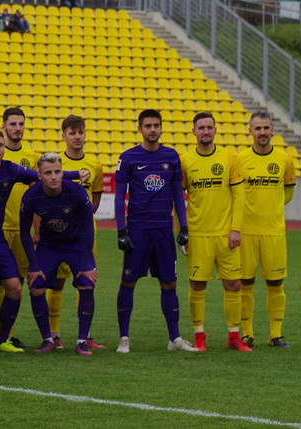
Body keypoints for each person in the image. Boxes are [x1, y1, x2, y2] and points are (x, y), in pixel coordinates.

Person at [0, 128, 87, 353]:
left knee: (15, 288)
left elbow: (41, 175)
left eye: (0, 145)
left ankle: (3, 340)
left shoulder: (10, 169)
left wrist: (76, 173)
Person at [114, 109, 197, 353]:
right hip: (137, 231)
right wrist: (121, 230)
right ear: (139, 128)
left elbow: (177, 194)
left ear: (161, 128)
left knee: (169, 284)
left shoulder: (171, 156)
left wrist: (183, 227)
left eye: (156, 125)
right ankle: (124, 338)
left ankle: (175, 339)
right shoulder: (128, 158)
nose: (152, 130)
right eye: (148, 126)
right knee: (128, 282)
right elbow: (119, 197)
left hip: (163, 230)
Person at [180, 111, 250, 352]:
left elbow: (239, 196)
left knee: (234, 284)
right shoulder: (185, 160)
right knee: (197, 285)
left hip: (226, 235)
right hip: (198, 235)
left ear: (215, 130)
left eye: (209, 127)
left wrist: (236, 229)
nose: (206, 131)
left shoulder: (229, 157)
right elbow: (178, 199)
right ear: (193, 131)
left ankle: (234, 336)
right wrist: (183, 232)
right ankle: (199, 336)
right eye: (201, 128)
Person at [20, 153, 98, 355]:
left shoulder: (77, 192)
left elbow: (89, 229)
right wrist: (33, 266)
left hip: (76, 244)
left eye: (57, 172)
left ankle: (82, 340)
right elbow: (24, 232)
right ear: (39, 175)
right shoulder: (31, 196)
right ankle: (48, 339)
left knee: (87, 283)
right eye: (48, 173)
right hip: (49, 246)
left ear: (63, 172)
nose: (53, 177)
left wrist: (85, 264)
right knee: (36, 286)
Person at [238, 110, 296, 349]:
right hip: (245, 232)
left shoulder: (285, 160)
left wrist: (269, 209)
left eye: (266, 128)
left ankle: (276, 335)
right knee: (245, 283)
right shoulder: (240, 159)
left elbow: (287, 194)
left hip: (274, 232)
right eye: (258, 128)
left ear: (272, 130)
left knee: (276, 283)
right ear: (250, 131)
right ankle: (247, 334)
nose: (262, 132)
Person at [49, 115, 105, 350]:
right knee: (57, 284)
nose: (77, 136)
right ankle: (54, 334)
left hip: (85, 236)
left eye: (80, 132)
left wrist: (85, 216)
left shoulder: (94, 164)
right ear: (63, 136)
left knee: (86, 283)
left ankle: (86, 335)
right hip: (59, 234)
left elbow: (96, 196)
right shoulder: (55, 162)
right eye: (72, 133)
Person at [0, 108, 36, 348]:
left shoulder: (31, 155)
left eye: (21, 124)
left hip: (22, 230)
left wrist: (37, 229)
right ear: (4, 126)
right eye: (13, 124)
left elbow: (36, 193)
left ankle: (8, 334)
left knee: (17, 283)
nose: (17, 128)